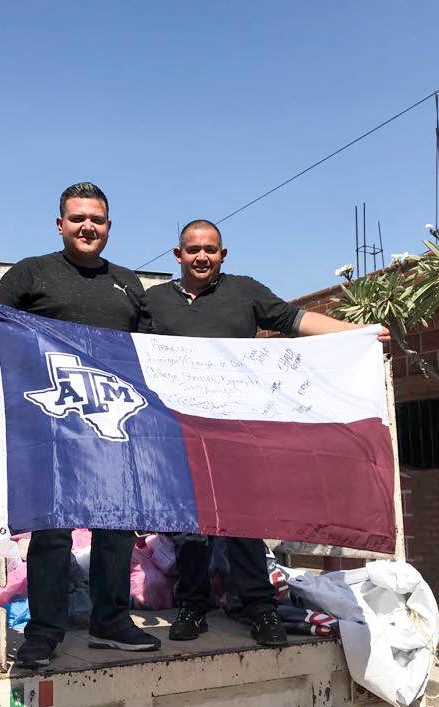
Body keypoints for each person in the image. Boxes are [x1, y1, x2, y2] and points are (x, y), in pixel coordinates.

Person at [145, 219, 389, 647]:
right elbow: (116, 344)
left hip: (238, 430)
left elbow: (295, 320)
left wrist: (360, 333)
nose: (201, 256)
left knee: (244, 522)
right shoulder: (154, 303)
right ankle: (192, 606)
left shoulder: (245, 291)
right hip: (180, 431)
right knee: (189, 527)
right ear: (177, 255)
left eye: (210, 249)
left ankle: (260, 608)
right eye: (193, 249)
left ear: (223, 254)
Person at [0, 182, 160, 669]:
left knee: (114, 526)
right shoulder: (33, 272)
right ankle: (44, 632)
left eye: (96, 219)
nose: (87, 227)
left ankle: (110, 622)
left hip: (112, 423)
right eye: (78, 219)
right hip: (52, 423)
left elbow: (153, 353)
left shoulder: (129, 283)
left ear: (108, 226)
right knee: (52, 530)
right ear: (61, 224)